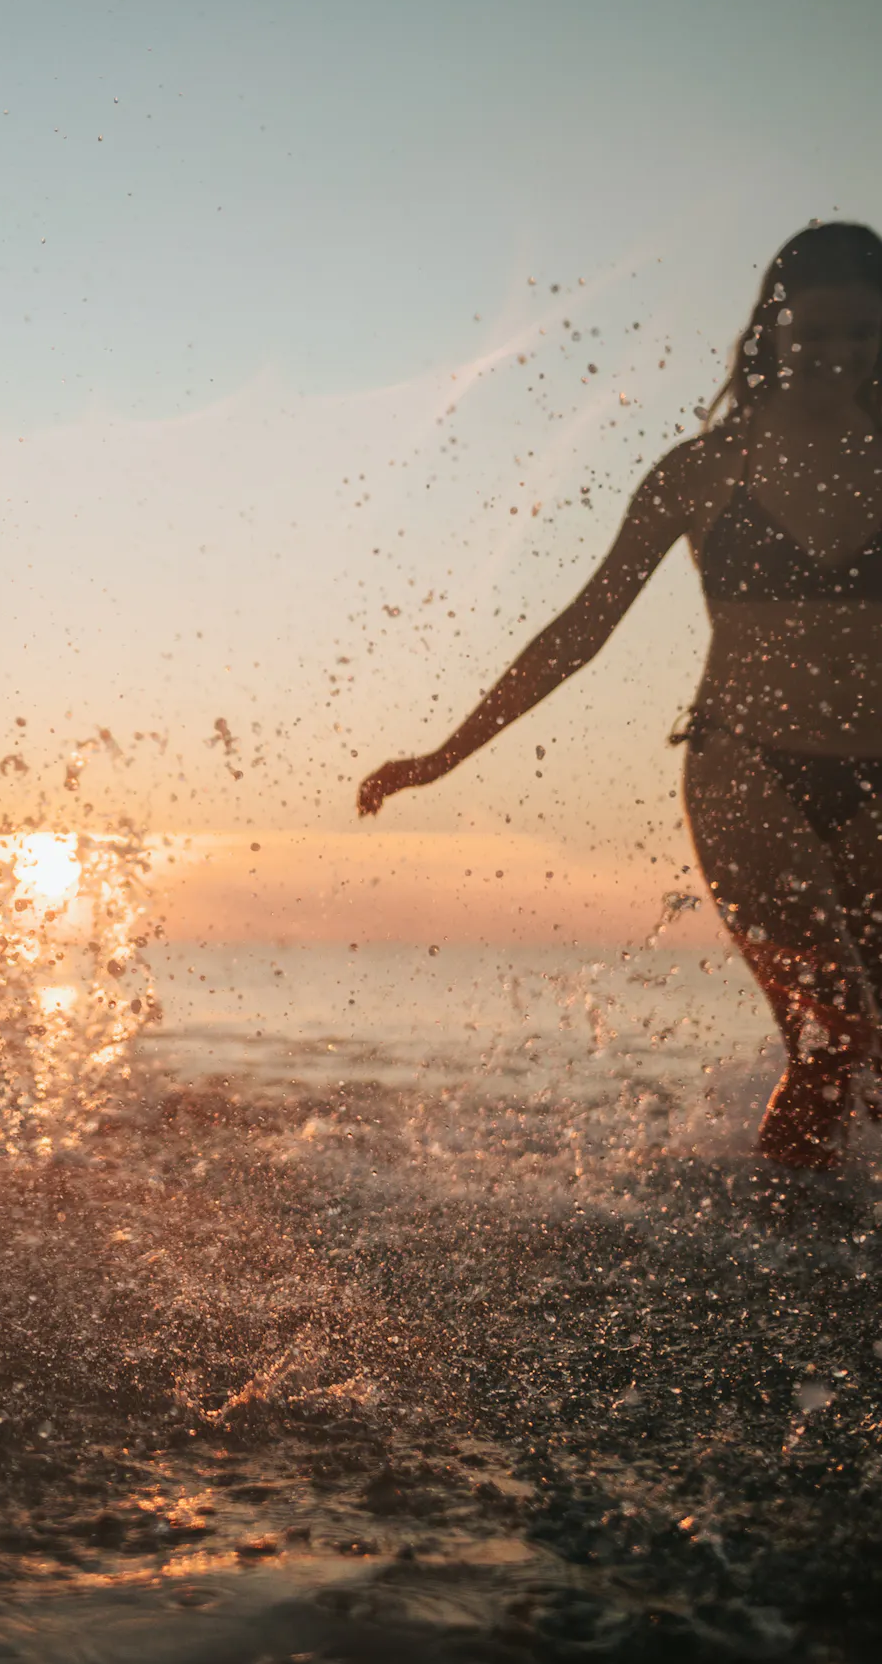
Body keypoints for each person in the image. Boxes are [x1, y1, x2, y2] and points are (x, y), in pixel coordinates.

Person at [361, 222, 882, 1174]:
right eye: (817, 336)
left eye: (861, 334)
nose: (838, 356)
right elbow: (580, 629)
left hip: (875, 785)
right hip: (747, 771)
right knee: (838, 1033)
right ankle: (763, 1255)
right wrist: (441, 756)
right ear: (774, 334)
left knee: (866, 1063)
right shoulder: (704, 470)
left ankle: (825, 1268)